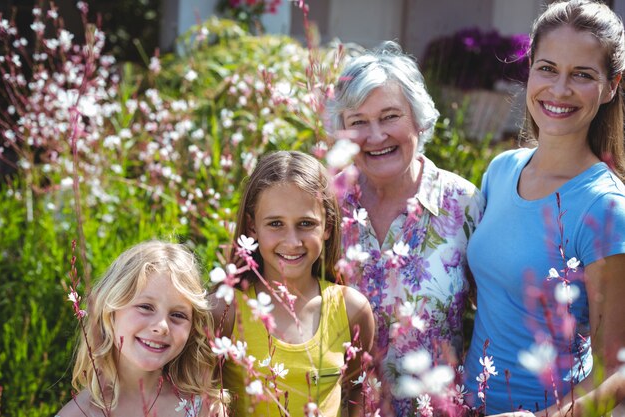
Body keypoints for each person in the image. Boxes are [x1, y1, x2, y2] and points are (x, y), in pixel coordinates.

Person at [464, 1, 625, 416]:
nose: (559, 89)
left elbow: (614, 368)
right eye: (548, 68)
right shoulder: (502, 170)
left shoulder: (605, 208)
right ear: (530, 67)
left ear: (611, 86)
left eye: (583, 75)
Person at [327, 41, 486, 415]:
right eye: (359, 122)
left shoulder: (463, 203)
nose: (376, 135)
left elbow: (493, 314)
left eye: (389, 116)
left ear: (419, 118)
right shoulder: (327, 205)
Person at [212, 151, 375, 416]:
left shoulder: (351, 309)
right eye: (275, 223)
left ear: (328, 227)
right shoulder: (225, 310)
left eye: (306, 224)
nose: (292, 241)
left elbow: (359, 389)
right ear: (252, 227)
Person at [56, 240, 226, 417]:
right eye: (146, 307)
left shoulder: (205, 409)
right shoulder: (78, 414)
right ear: (110, 310)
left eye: (178, 315)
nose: (161, 327)